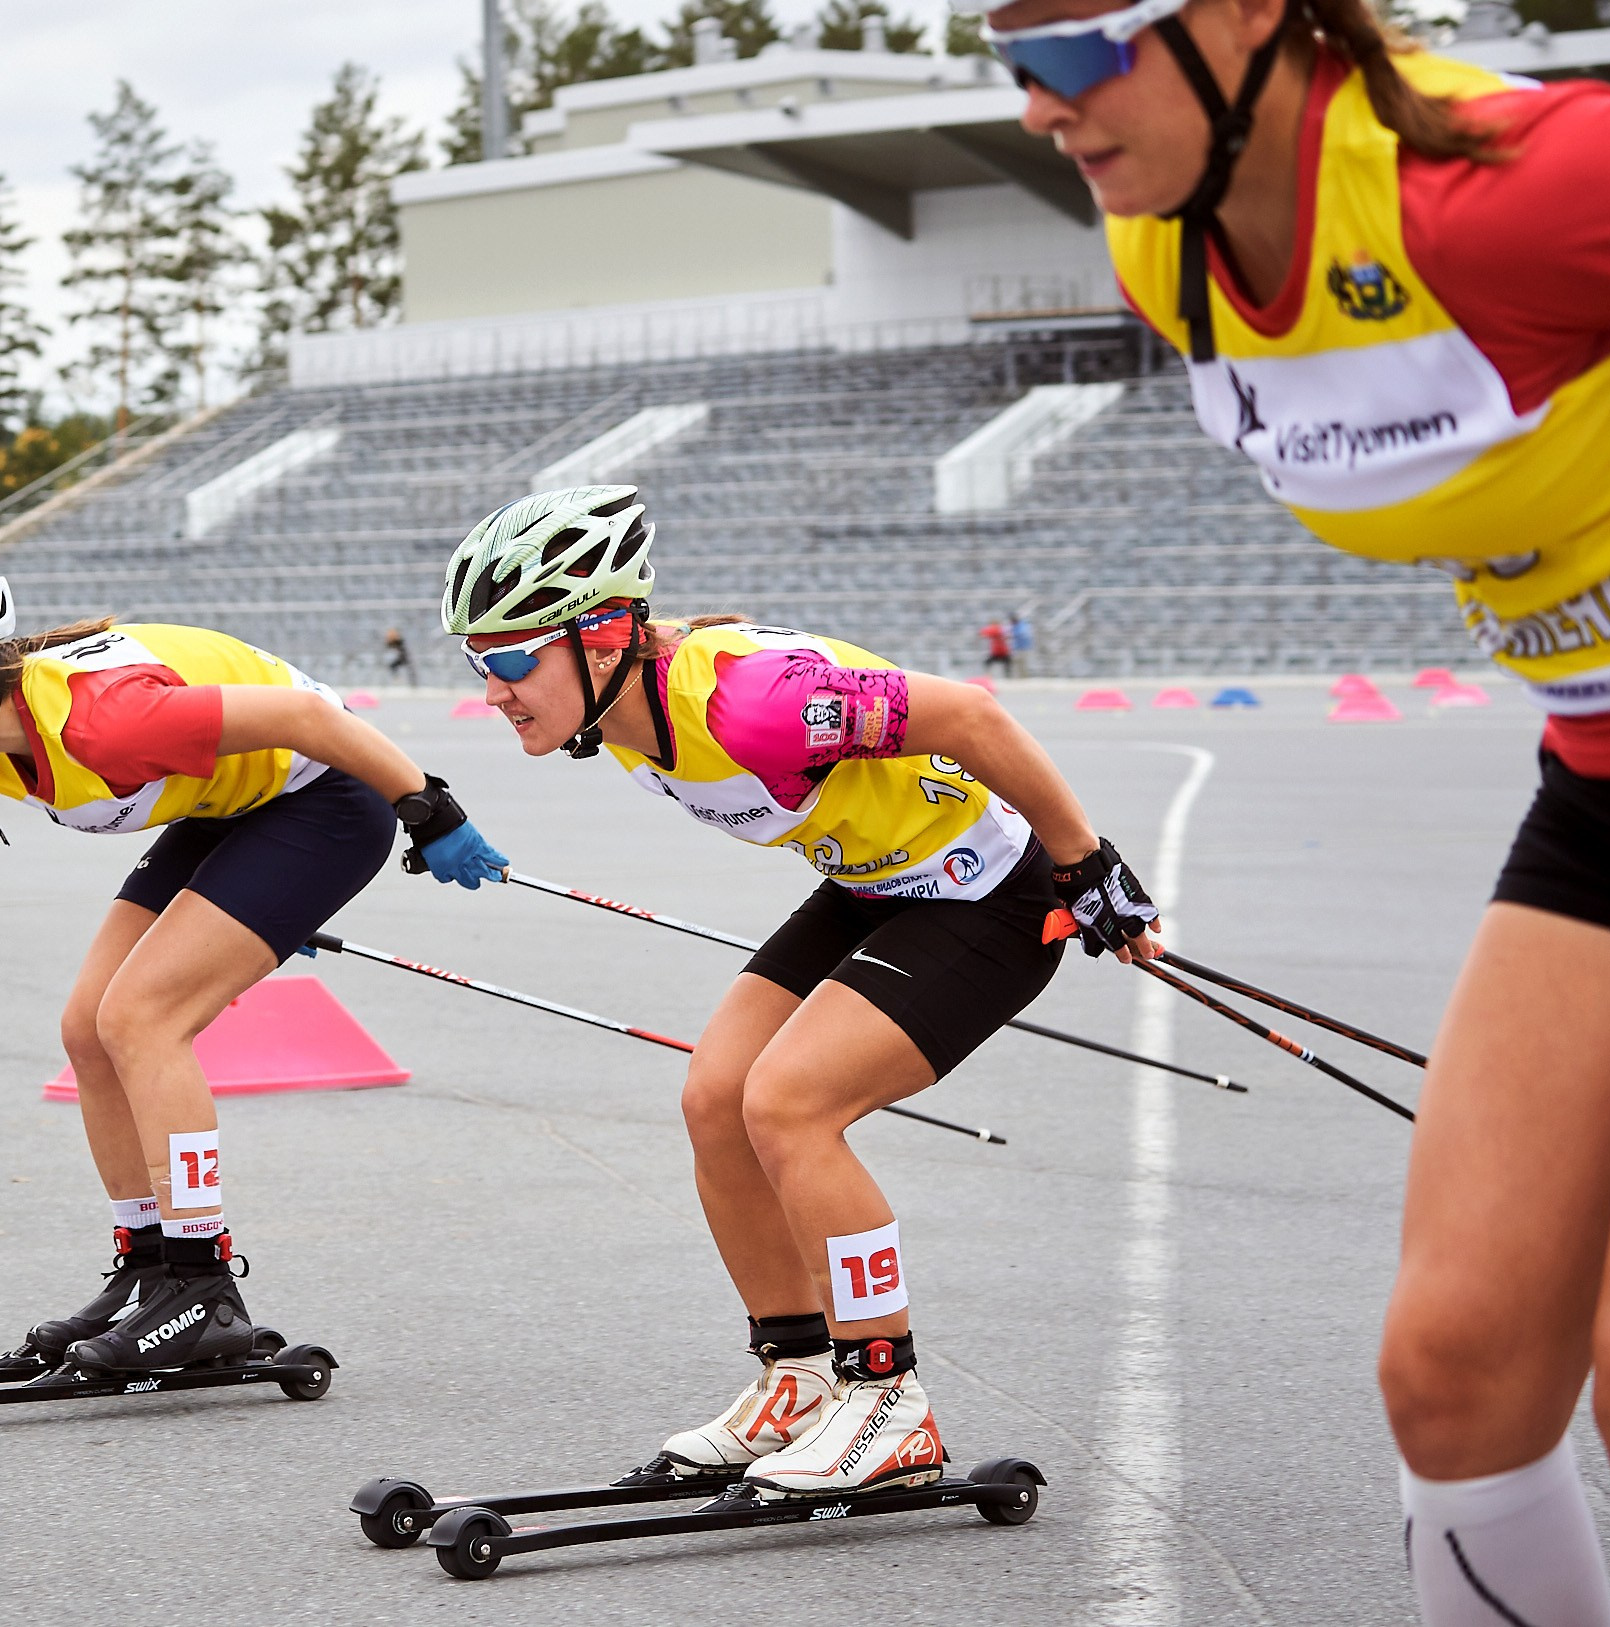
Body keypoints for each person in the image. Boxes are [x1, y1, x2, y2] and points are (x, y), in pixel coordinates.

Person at [982, 0, 1610, 1613]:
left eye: (1074, 49)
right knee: (1455, 1374)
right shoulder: (1164, 253)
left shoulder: (1514, 184)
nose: (1035, 107)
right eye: (1006, 60)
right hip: (1608, 784)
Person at [441, 485, 1162, 1498]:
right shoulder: (625, 704)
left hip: (990, 893)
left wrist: (1084, 861)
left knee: (789, 1104)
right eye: (478, 663)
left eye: (513, 659)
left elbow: (969, 714)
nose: (493, 689)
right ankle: (801, 1377)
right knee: (715, 1097)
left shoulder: (755, 702)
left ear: (600, 638)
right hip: (872, 881)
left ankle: (888, 1398)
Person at [0, 551, 507, 1373]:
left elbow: (308, 716)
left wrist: (428, 807)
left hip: (329, 796)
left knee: (142, 1018)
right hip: (232, 803)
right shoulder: (0, 742)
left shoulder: (104, 719)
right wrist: (256, 899)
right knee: (87, 1028)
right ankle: (152, 1265)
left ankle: (203, 1285)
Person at [1006, 610, 1035, 677]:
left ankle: (1024, 677)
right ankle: (1019, 677)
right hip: (1017, 647)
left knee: (1023, 663)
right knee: (1017, 663)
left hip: (1024, 647)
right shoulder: (1013, 626)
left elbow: (1022, 633)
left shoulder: (1022, 624)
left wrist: (1012, 635)